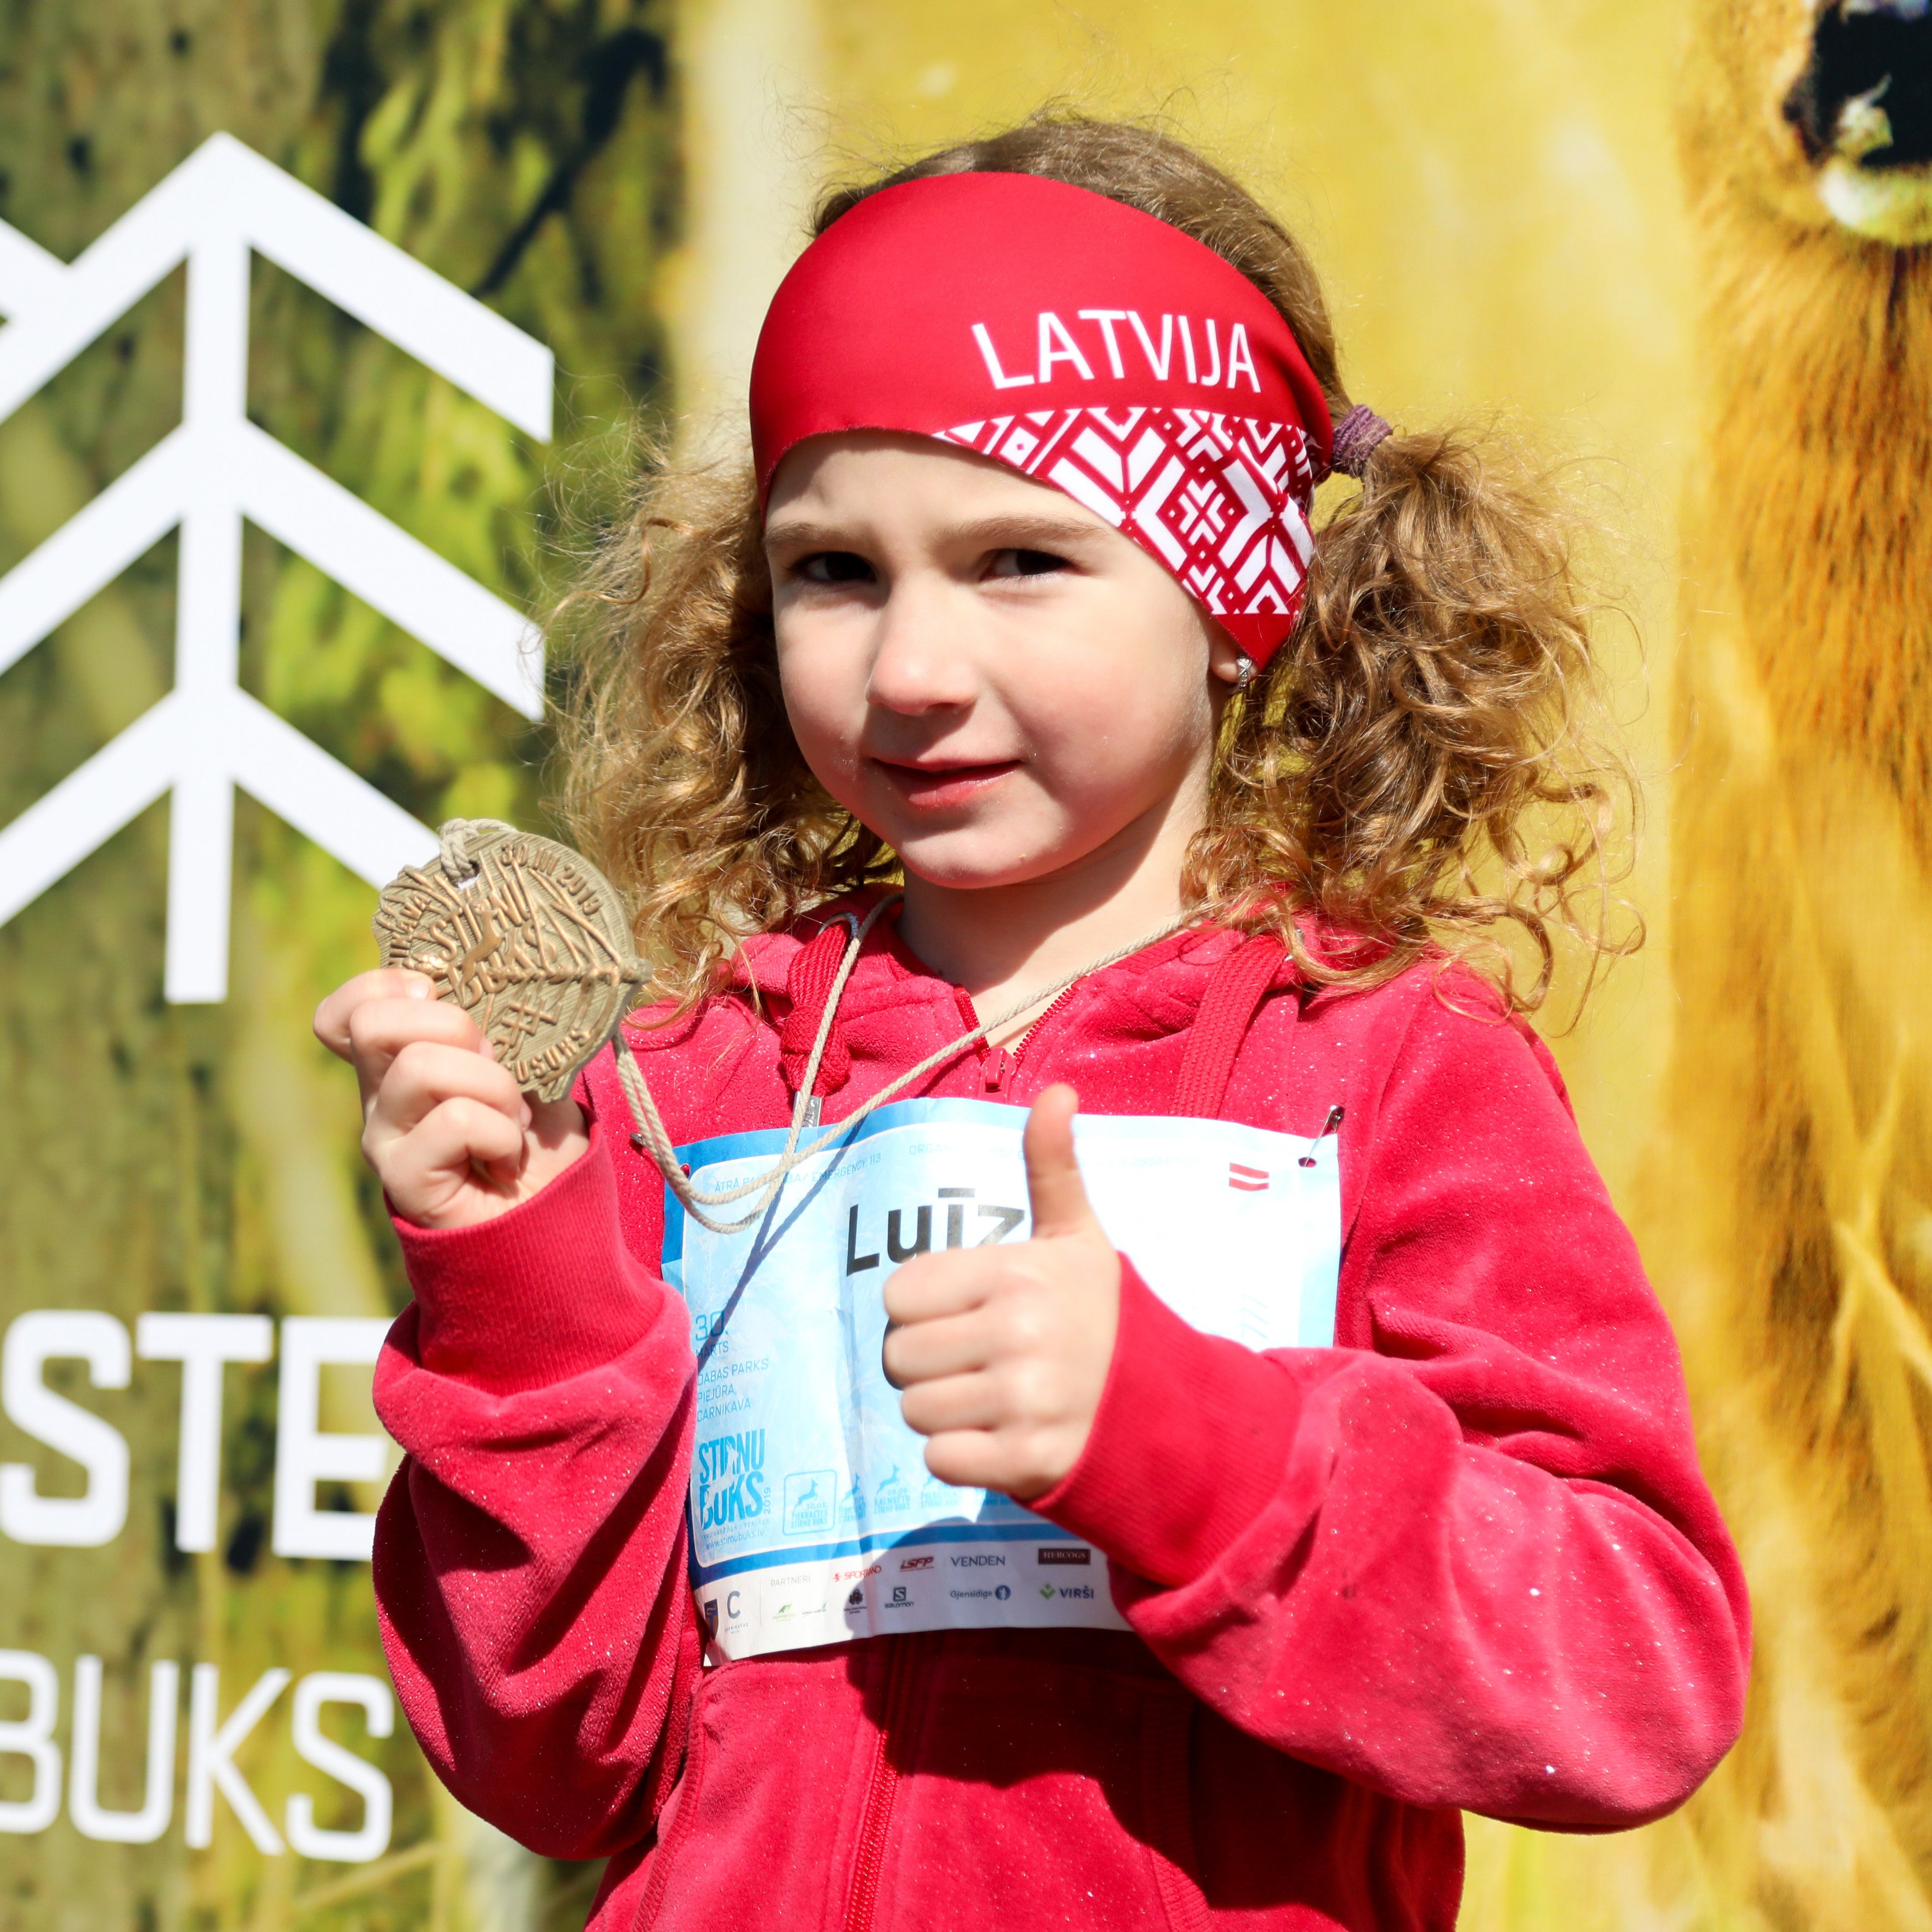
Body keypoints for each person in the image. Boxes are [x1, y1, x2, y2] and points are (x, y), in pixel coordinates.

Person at [316, 118, 1748, 1932]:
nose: (911, 669)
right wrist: (514, 1281)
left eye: (1017, 562)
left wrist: (1189, 1440)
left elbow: (1631, 1673)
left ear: (1231, 589)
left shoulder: (1388, 1063)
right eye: (834, 572)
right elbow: (549, 1757)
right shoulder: (688, 1083)